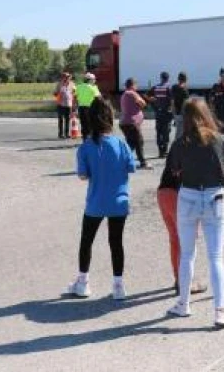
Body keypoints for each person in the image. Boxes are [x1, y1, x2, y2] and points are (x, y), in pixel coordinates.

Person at [165, 98, 224, 328]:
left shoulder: (180, 143)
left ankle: (183, 303)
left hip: (188, 196)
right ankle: (221, 310)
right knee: (216, 257)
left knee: (187, 254)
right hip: (214, 197)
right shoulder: (219, 139)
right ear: (206, 113)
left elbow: (174, 170)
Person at [65, 99, 137, 300]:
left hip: (96, 202)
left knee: (86, 241)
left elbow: (83, 176)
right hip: (119, 201)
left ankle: (83, 282)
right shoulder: (121, 143)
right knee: (116, 242)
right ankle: (118, 286)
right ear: (110, 118)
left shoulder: (86, 147)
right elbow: (131, 168)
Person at [157, 132, 207, 297]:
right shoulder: (198, 145)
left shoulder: (178, 142)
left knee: (175, 239)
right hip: (180, 195)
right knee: (188, 241)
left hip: (163, 191)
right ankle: (185, 282)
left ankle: (179, 278)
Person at [120, 78, 151, 170]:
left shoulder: (125, 94)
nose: (137, 87)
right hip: (131, 123)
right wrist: (144, 102)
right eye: (136, 85)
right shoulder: (131, 93)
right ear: (133, 85)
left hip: (125, 122)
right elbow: (143, 103)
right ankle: (143, 163)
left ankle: (122, 161)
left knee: (131, 144)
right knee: (138, 142)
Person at [150, 72, 175, 158]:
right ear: (168, 78)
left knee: (159, 131)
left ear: (161, 78)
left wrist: (154, 105)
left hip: (158, 113)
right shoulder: (169, 87)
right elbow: (172, 100)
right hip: (167, 113)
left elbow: (146, 96)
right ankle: (164, 150)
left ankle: (160, 151)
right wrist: (171, 109)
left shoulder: (155, 87)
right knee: (166, 132)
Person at [76, 73, 102, 139]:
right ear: (90, 80)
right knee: (91, 124)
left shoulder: (79, 86)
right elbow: (99, 97)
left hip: (81, 108)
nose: (95, 81)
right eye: (94, 79)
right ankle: (90, 139)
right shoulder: (92, 88)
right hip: (90, 108)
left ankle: (84, 139)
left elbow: (75, 97)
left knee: (84, 124)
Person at [53, 73, 77, 139]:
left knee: (67, 119)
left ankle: (66, 134)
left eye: (68, 77)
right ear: (63, 77)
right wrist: (58, 93)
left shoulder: (72, 84)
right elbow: (54, 93)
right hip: (60, 104)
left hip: (68, 104)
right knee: (60, 119)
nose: (67, 78)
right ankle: (60, 134)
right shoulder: (59, 84)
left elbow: (75, 94)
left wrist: (74, 104)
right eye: (65, 77)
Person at [172, 72, 190, 141]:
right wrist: (183, 113)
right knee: (181, 132)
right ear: (186, 79)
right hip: (182, 113)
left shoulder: (174, 87)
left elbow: (172, 101)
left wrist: (174, 112)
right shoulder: (185, 90)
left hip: (176, 113)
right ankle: (177, 147)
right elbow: (185, 103)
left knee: (178, 131)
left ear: (178, 79)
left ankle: (178, 146)